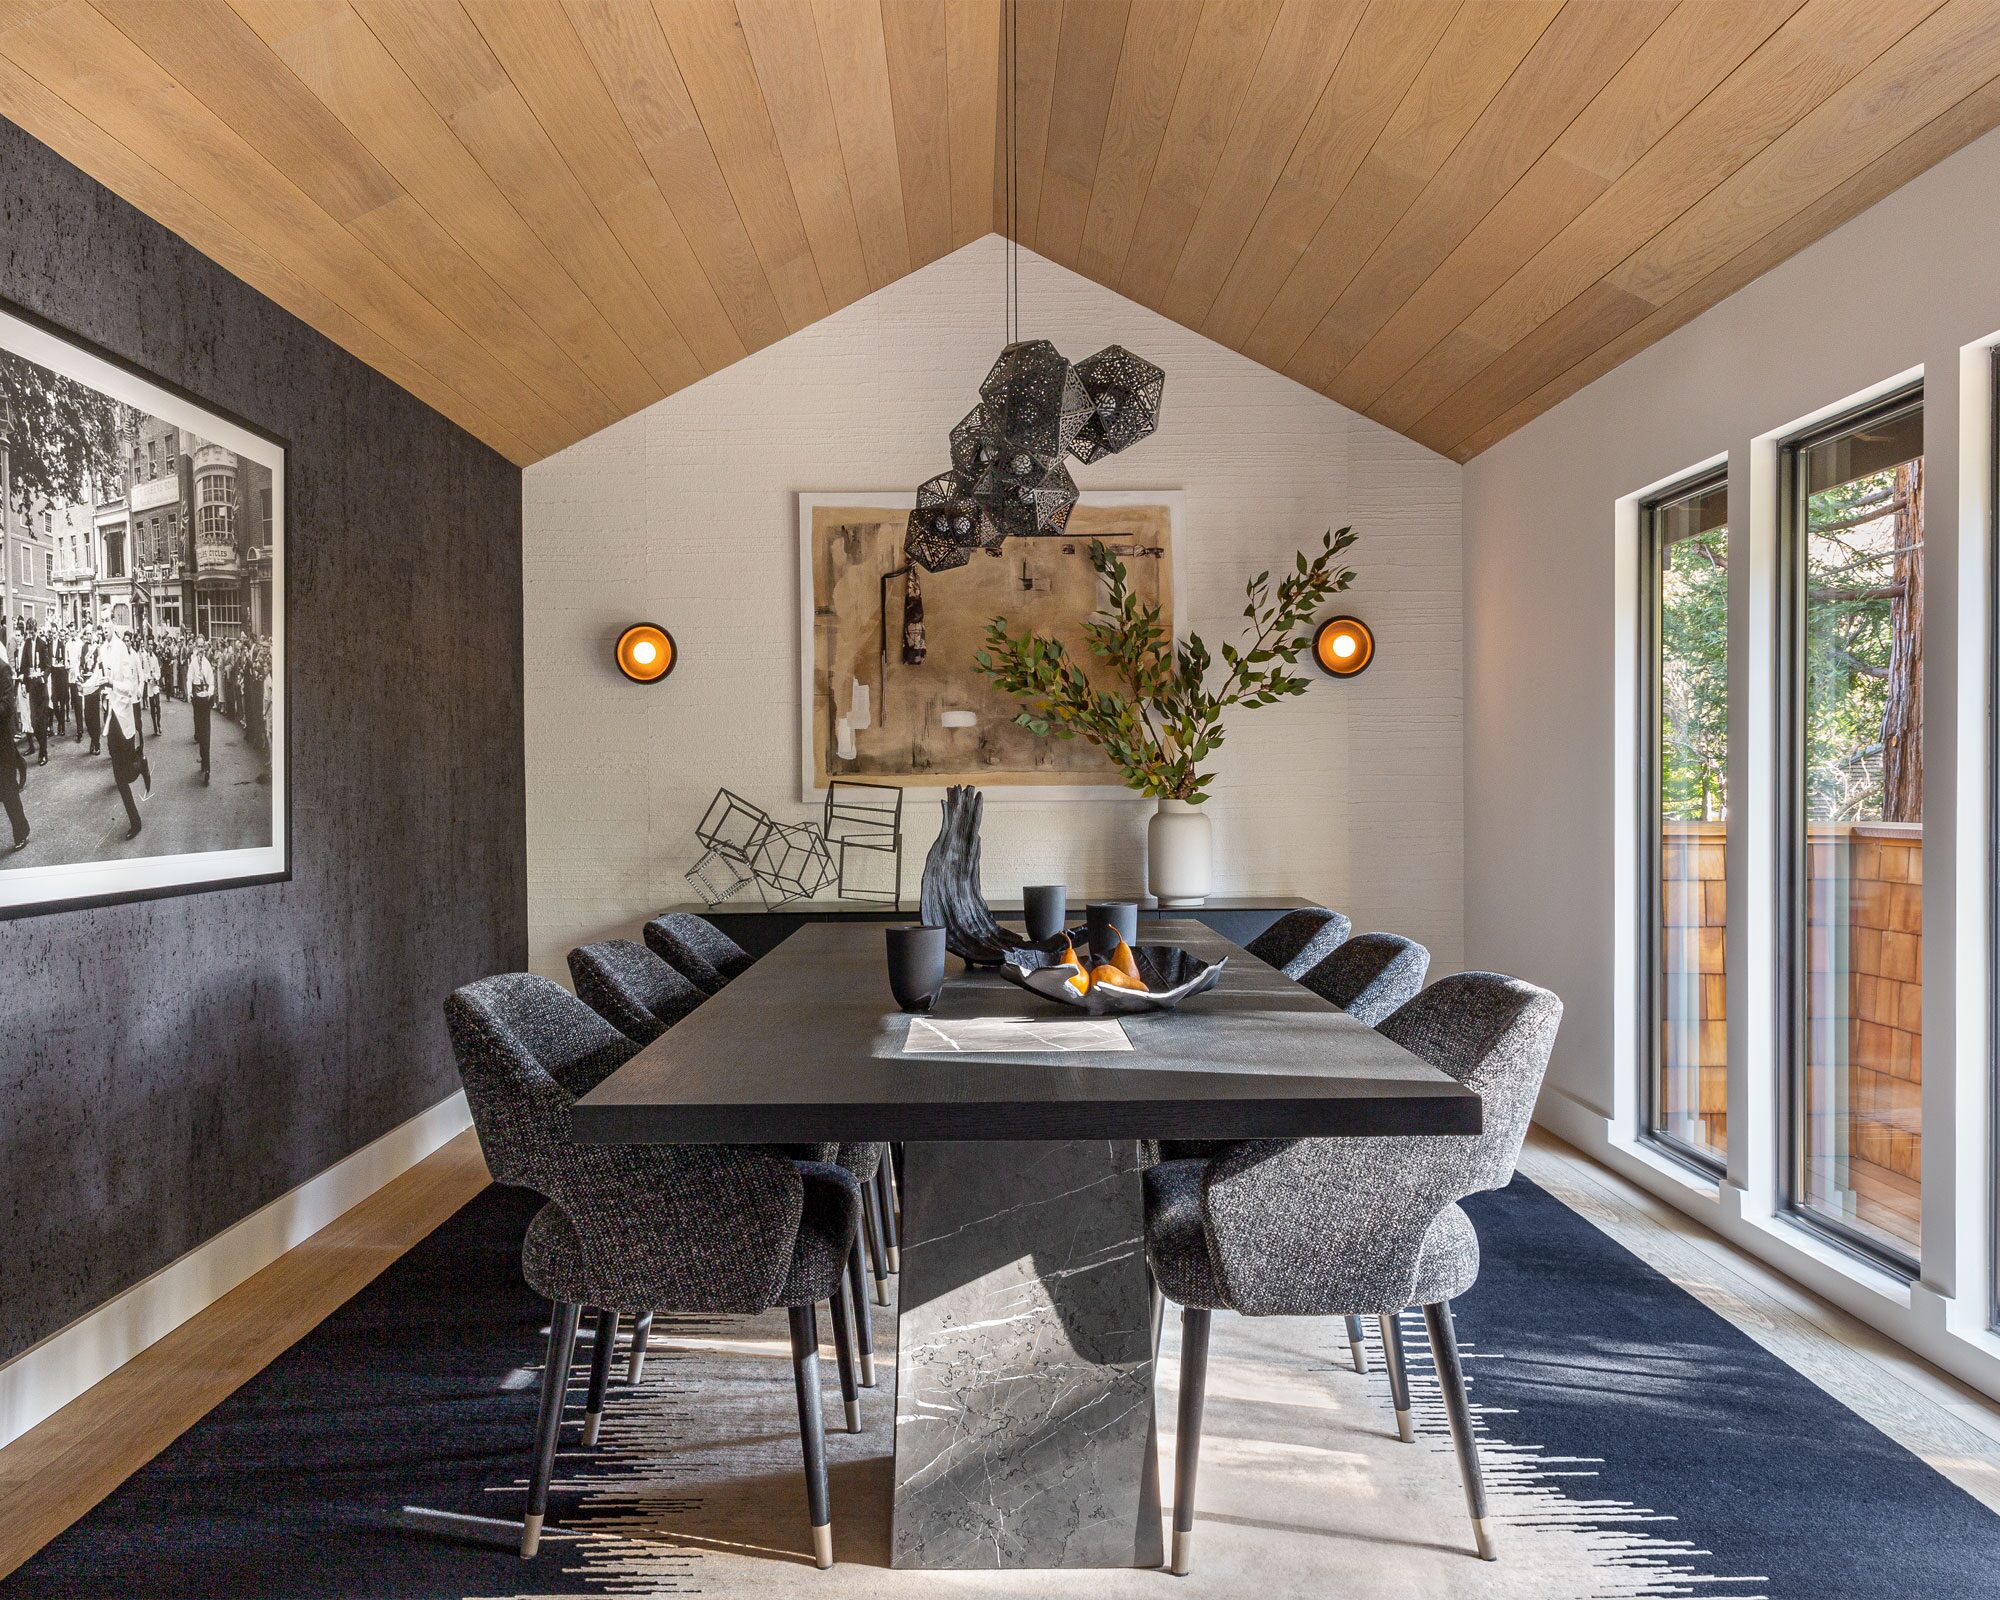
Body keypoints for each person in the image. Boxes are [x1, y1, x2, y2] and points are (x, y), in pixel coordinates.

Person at [101, 630, 151, 840]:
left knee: (127, 774)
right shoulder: (104, 651)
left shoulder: (125, 654)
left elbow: (129, 687)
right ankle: (135, 821)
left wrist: (111, 684)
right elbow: (101, 678)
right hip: (112, 719)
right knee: (119, 777)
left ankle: (141, 765)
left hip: (124, 721)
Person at [0, 643, 27, 852]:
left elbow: (8, 705)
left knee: (8, 790)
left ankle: (21, 831)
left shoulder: (3, 669)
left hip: (2, 743)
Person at [21, 619, 52, 767]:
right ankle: (42, 747)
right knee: (34, 722)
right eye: (29, 632)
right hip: (32, 687)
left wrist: (43, 677)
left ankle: (43, 753)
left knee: (42, 721)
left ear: (36, 630)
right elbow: (23, 665)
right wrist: (23, 683)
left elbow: (48, 666)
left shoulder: (42, 643)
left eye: (33, 632)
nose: (31, 635)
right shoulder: (27, 644)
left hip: (41, 688)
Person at [187, 633, 216, 785]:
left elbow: (211, 683)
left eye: (202, 646)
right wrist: (189, 693)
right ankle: (203, 757)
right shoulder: (192, 663)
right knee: (199, 731)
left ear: (205, 647)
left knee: (206, 732)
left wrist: (209, 693)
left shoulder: (207, 664)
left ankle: (207, 767)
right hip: (196, 700)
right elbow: (189, 679)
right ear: (195, 647)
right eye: (198, 646)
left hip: (205, 700)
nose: (200, 649)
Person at [142, 634, 163, 738]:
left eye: (151, 645)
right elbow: (144, 673)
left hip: (155, 686)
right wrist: (148, 679)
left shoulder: (155, 657)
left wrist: (156, 678)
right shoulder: (145, 659)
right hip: (150, 686)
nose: (150, 647)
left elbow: (158, 671)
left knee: (158, 706)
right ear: (147, 646)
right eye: (149, 645)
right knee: (152, 707)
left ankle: (159, 724)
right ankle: (155, 727)